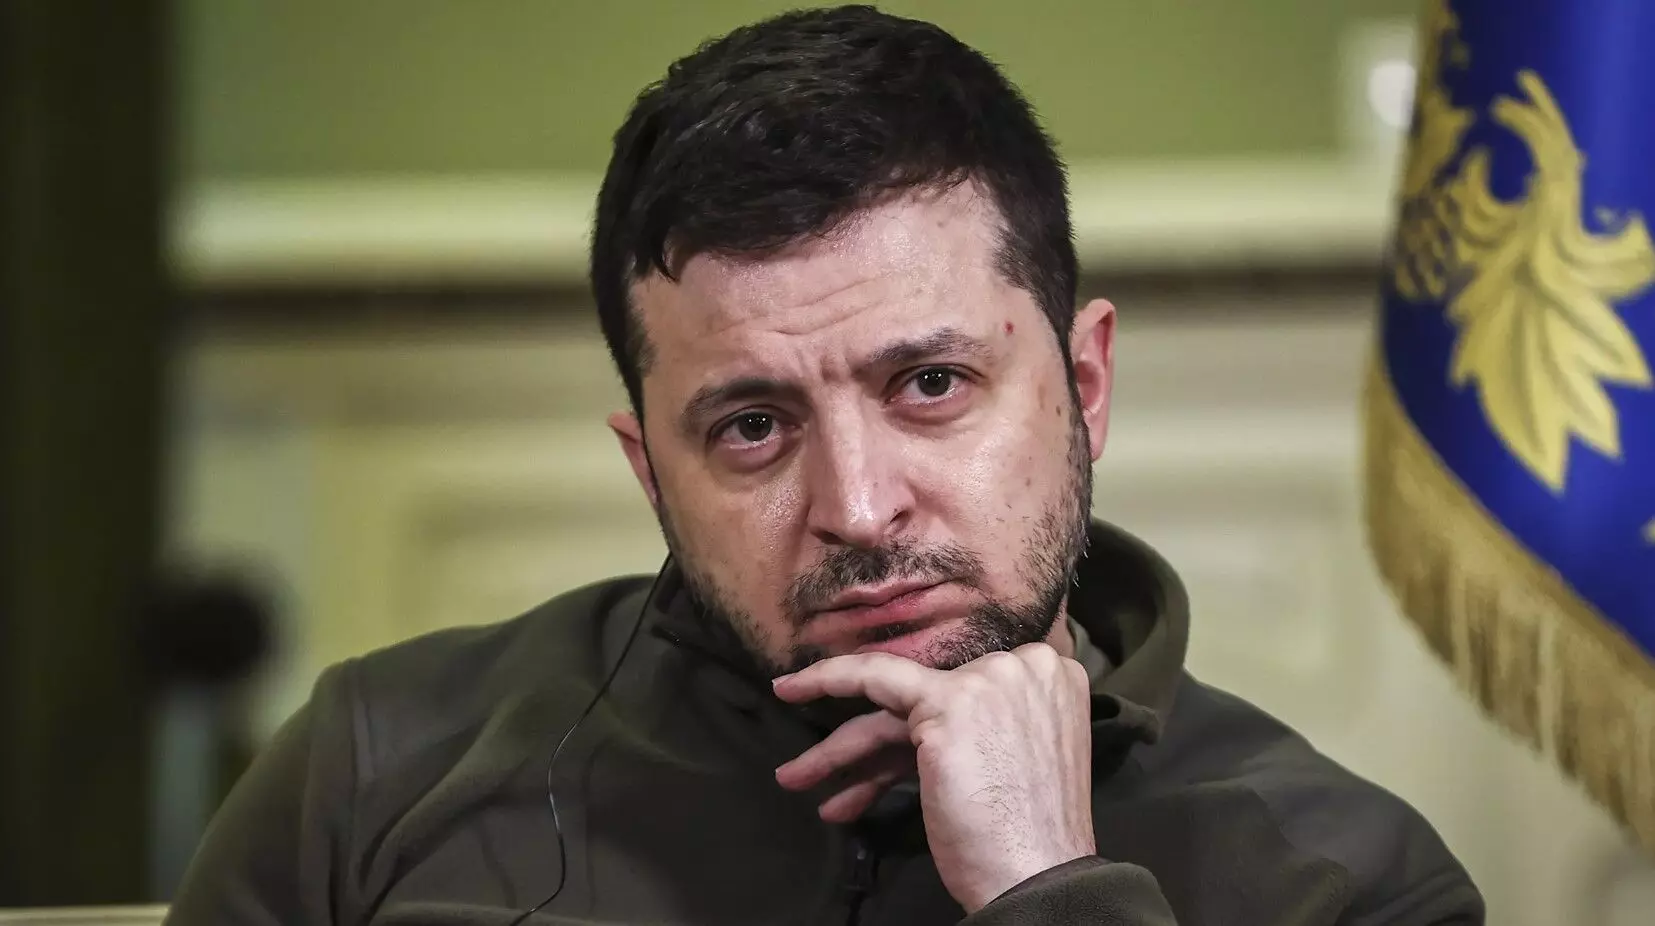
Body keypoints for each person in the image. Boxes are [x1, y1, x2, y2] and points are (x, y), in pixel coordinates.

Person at [166, 6, 1484, 924]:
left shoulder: (1348, 881)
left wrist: (1049, 888)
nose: (856, 508)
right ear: (649, 471)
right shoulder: (379, 768)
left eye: (929, 385)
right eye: (752, 426)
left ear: (1084, 387)